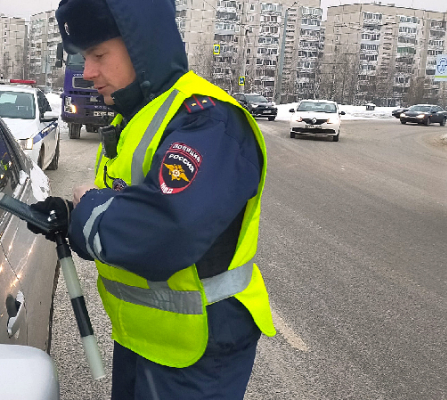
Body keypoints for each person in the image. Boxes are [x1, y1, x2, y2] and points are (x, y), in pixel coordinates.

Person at [29, 0, 277, 398]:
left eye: (98, 55)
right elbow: (131, 200)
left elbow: (166, 231)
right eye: (83, 57)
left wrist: (89, 210)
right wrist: (73, 214)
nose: (87, 72)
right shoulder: (134, 118)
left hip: (198, 349)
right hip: (144, 336)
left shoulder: (205, 120)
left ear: (141, 46)